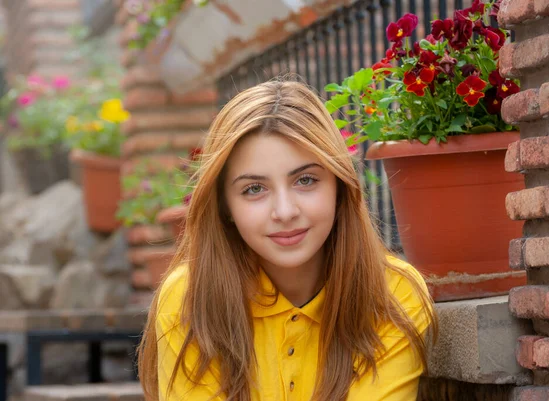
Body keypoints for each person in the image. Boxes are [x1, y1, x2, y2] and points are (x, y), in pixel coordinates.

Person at [137, 79, 438, 401]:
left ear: (339, 187)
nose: (284, 211)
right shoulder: (189, 298)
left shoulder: (392, 293)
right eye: (254, 188)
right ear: (225, 207)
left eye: (305, 180)